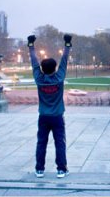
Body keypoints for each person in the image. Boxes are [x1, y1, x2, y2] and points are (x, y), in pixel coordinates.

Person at [27, 34, 72, 179]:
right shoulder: (59, 78)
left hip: (44, 116)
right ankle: (61, 169)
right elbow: (64, 60)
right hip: (57, 116)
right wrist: (67, 44)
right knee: (60, 143)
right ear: (54, 68)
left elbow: (33, 61)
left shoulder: (39, 79)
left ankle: (39, 169)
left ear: (42, 69)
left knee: (41, 143)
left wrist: (31, 45)